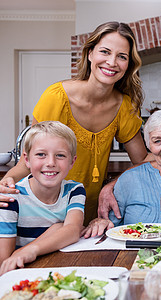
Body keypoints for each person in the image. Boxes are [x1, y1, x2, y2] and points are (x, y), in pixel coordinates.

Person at [0, 22, 148, 225]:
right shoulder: (56, 98)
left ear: (128, 64)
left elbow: (142, 161)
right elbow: (28, 162)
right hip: (44, 212)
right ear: (89, 54)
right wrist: (7, 181)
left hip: (92, 214)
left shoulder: (124, 106)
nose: (112, 62)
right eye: (105, 52)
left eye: (122, 56)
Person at [0, 121, 85, 275]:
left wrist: (31, 250)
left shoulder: (74, 190)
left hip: (58, 270)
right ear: (26, 159)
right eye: (41, 154)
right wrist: (58, 228)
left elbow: (72, 230)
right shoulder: (11, 197)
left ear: (72, 161)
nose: (50, 163)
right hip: (20, 274)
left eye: (60, 155)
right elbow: (5, 262)